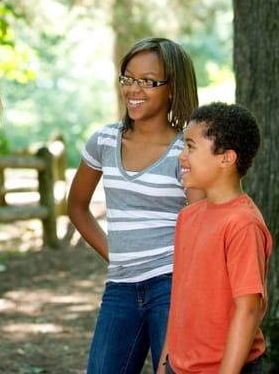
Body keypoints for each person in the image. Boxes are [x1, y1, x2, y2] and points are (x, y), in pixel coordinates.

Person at [68, 37, 204, 373]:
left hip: (172, 285)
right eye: (128, 78)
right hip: (120, 287)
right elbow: (77, 207)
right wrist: (115, 254)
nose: (134, 89)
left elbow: (203, 225)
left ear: (173, 87)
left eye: (148, 81)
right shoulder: (104, 140)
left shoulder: (186, 149)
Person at [157, 102, 272, 374]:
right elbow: (180, 299)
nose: (181, 157)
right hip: (179, 367)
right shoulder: (188, 218)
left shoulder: (243, 223)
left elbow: (248, 311)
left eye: (190, 147)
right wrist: (165, 363)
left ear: (226, 159)